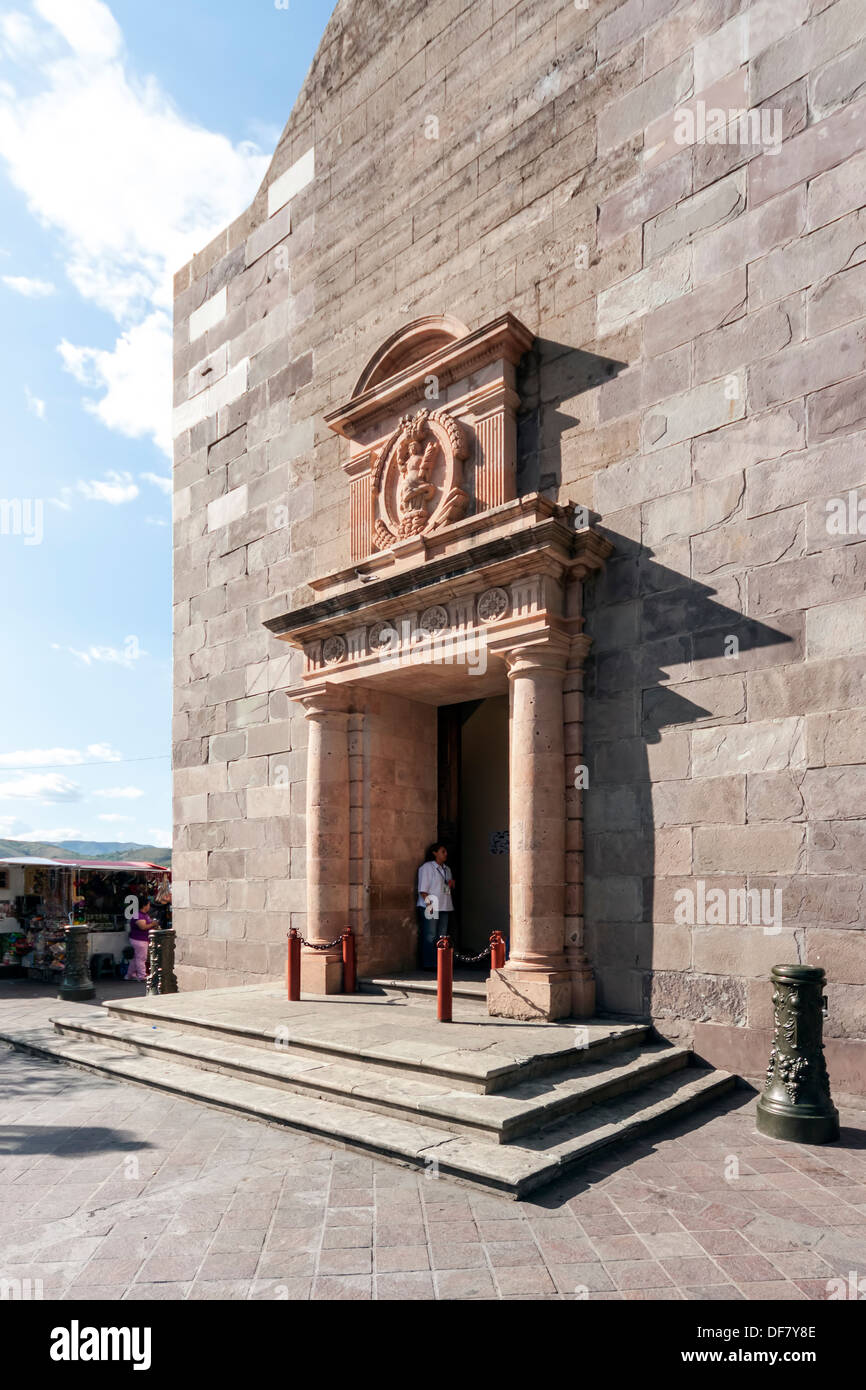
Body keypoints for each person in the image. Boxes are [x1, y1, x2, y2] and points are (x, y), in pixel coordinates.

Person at [416, 842, 455, 970]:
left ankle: (440, 962)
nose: (445, 854)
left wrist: (450, 885)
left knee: (441, 935)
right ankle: (429, 963)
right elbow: (423, 889)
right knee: (430, 935)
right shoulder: (427, 867)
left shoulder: (447, 869)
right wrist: (429, 905)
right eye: (443, 851)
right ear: (435, 853)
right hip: (431, 904)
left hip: (445, 905)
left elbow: (446, 887)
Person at [126, 899, 156, 982]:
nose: (149, 907)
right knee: (141, 958)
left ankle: (129, 975)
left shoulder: (144, 915)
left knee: (136, 958)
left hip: (141, 939)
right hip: (139, 940)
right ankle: (142, 976)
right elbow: (142, 927)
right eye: (149, 905)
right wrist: (152, 924)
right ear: (144, 906)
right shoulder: (138, 915)